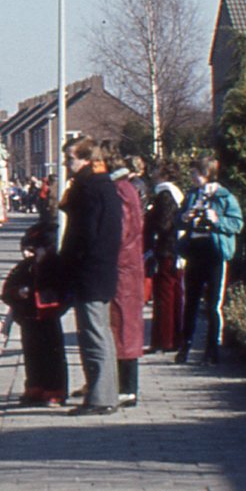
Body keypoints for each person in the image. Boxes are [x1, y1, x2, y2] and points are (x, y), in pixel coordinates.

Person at [52, 137, 123, 414]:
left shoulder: (90, 188)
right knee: (99, 333)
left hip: (91, 271)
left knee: (94, 335)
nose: (66, 164)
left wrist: (69, 264)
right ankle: (104, 393)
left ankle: (101, 398)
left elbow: (85, 235)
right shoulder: (101, 186)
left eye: (70, 158)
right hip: (99, 271)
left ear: (86, 159)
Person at [175, 156, 244, 365]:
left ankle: (212, 350)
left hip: (214, 253)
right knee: (191, 302)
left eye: (195, 173)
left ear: (207, 173)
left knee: (213, 304)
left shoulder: (224, 197)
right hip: (195, 251)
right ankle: (185, 346)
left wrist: (217, 220)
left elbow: (237, 224)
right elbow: (177, 220)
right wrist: (185, 217)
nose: (192, 177)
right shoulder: (192, 195)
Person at [4, 206, 69, 406]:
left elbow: (63, 291)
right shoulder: (26, 267)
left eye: (37, 249)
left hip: (48, 316)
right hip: (29, 317)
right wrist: (18, 293)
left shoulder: (56, 266)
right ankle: (34, 388)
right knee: (32, 355)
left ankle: (54, 390)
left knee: (53, 355)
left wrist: (55, 305)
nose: (32, 254)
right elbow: (7, 290)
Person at [108, 155, 146, 406]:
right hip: (127, 264)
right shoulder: (127, 188)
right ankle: (125, 386)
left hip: (121, 265)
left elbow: (121, 231)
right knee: (125, 325)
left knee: (122, 325)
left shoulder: (120, 190)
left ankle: (127, 388)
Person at [147, 177, 184, 353]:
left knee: (164, 298)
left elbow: (163, 224)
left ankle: (163, 340)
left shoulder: (164, 196)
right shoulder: (177, 195)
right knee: (175, 296)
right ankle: (175, 339)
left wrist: (150, 218)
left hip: (165, 251)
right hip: (176, 252)